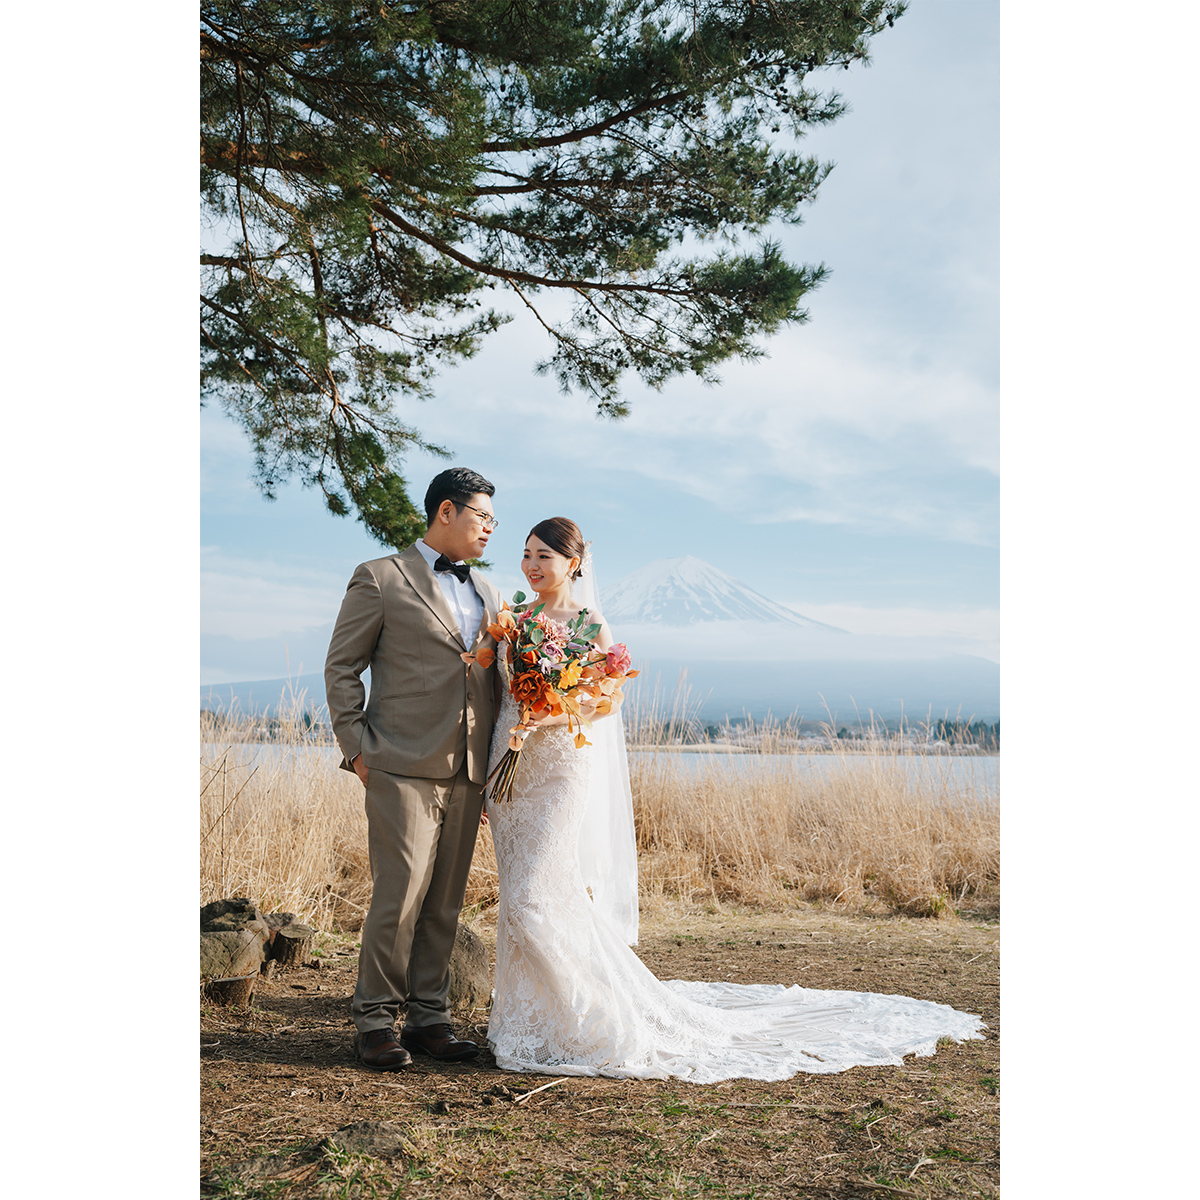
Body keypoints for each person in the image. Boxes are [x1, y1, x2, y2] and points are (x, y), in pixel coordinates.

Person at [484, 518, 985, 1081]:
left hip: (559, 768)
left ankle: (586, 1013)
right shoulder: (512, 622)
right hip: (510, 765)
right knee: (520, 890)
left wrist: (556, 707)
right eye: (525, 554)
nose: (531, 565)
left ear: (574, 563)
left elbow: (609, 701)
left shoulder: (589, 623)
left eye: (544, 556)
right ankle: (530, 1019)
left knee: (537, 890)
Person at [325, 467, 502, 1071]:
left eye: (493, 521)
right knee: (398, 896)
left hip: (470, 770)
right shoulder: (379, 577)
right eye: (482, 517)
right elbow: (341, 668)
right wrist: (357, 751)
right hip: (397, 764)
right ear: (446, 512)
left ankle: (430, 1018)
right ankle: (374, 1020)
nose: (489, 530)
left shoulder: (493, 593)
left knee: (446, 902)